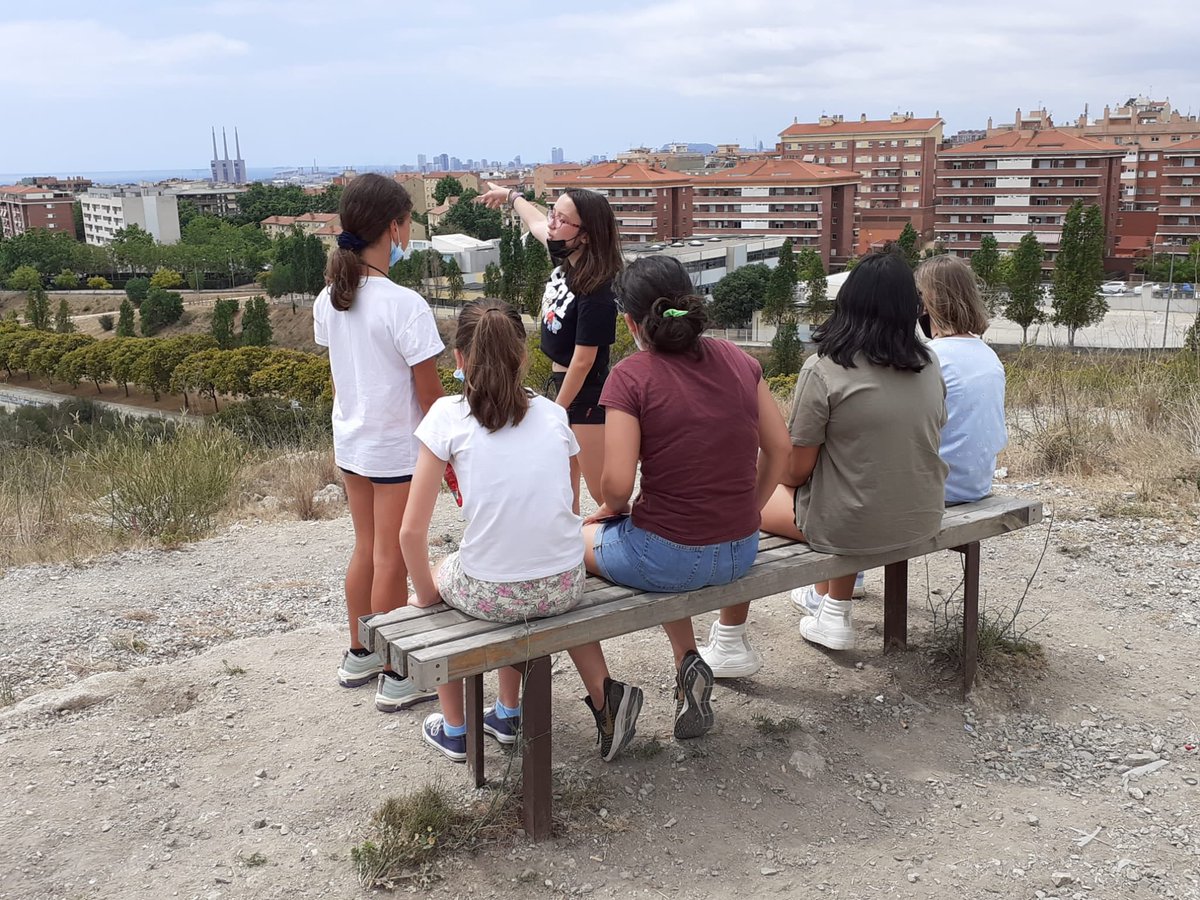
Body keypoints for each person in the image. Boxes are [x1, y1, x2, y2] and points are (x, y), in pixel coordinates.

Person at [401, 299, 644, 763]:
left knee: (439, 572)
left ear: (458, 359)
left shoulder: (447, 418)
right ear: (524, 357)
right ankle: (507, 713)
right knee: (519, 569)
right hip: (564, 585)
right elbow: (565, 511)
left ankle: (455, 729)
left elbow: (411, 533)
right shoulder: (554, 415)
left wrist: (427, 594)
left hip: (497, 592)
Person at [582, 256, 791, 730]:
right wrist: (747, 510)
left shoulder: (631, 376)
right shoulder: (740, 361)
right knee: (649, 530)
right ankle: (687, 662)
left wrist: (605, 513)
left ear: (631, 321)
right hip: (741, 549)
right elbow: (780, 450)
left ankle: (605, 695)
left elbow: (616, 488)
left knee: (569, 547)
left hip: (666, 558)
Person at [736, 250, 948, 654]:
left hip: (849, 525)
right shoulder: (930, 362)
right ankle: (832, 608)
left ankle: (817, 613)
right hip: (922, 514)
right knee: (852, 486)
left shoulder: (825, 368)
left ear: (847, 303)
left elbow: (796, 471)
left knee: (747, 501)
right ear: (910, 308)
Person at [314, 173, 444, 711]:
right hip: (396, 447)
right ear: (395, 227)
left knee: (367, 548)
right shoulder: (404, 303)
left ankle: (359, 652)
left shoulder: (330, 297)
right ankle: (396, 672)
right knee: (392, 555)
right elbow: (431, 394)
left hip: (353, 445)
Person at [478, 182, 624, 513]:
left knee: (604, 493)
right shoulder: (568, 258)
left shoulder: (597, 288)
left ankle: (635, 552)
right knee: (565, 481)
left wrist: (556, 411)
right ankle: (570, 552)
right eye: (553, 214)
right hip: (565, 390)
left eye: (561, 219)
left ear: (585, 234)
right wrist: (511, 197)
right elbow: (534, 222)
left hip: (587, 398)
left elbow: (584, 360)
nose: (552, 222)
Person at [914, 255, 1007, 504]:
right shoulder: (988, 355)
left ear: (926, 302)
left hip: (937, 490)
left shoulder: (932, 358)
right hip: (975, 485)